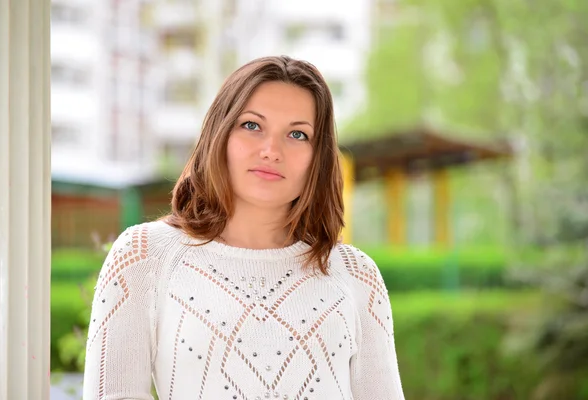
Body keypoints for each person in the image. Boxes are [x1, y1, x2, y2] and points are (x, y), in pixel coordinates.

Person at [83, 55, 405, 400]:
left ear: (319, 157)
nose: (271, 150)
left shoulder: (355, 275)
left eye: (297, 134)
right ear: (218, 134)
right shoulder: (145, 257)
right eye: (252, 125)